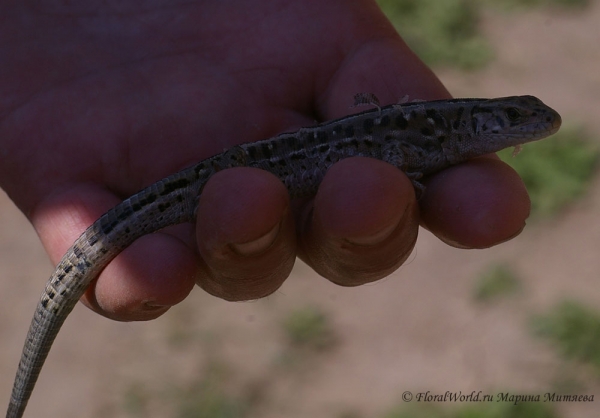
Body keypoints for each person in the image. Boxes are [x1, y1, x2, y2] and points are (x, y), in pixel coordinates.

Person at [0, 0, 530, 321]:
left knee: (251, 205)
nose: (527, 127)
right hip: (249, 168)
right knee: (228, 203)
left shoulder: (437, 129)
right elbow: (393, 150)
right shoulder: (430, 133)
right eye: (513, 119)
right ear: (483, 121)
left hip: (256, 168)